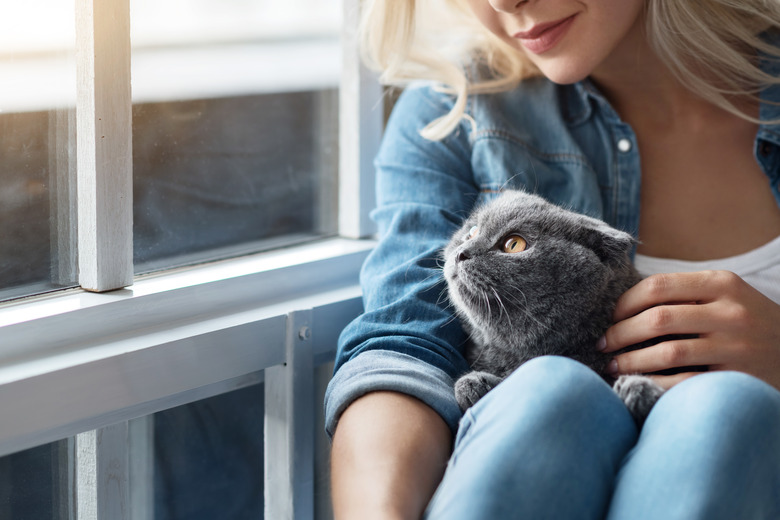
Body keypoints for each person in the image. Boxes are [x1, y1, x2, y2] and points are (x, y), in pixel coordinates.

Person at [325, 0, 780, 518]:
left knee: (727, 410)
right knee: (552, 389)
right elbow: (402, 351)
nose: (504, 2)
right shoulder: (453, 112)